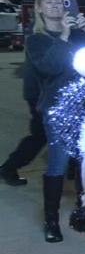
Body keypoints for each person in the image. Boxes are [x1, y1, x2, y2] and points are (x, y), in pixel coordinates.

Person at [25, 0, 85, 242]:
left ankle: (84, 211)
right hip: (57, 110)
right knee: (58, 163)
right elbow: (50, 66)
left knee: (84, 160)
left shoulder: (77, 33)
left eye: (60, 2)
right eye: (50, 3)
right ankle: (51, 221)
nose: (56, 7)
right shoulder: (37, 40)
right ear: (40, 8)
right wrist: (66, 36)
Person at [0, 56, 45, 186]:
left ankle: (9, 167)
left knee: (41, 135)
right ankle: (9, 168)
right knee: (40, 135)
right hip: (41, 95)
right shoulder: (40, 39)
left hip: (40, 93)